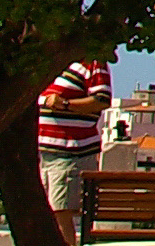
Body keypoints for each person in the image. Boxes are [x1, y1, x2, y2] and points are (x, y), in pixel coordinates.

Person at [36, 55, 114, 229]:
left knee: (60, 213)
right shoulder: (52, 63)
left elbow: (102, 99)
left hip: (70, 153)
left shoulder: (92, 62)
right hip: (44, 154)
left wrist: (65, 104)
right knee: (47, 213)